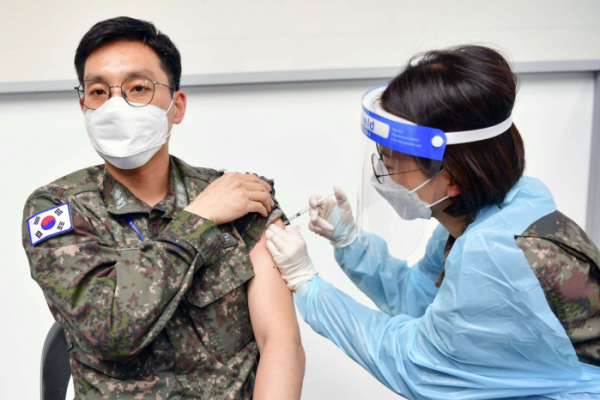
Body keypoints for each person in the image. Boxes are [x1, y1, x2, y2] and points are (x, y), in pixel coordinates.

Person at [265, 45, 600, 399]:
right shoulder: (487, 214)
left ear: (452, 178)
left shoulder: (496, 256)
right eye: (380, 159)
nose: (384, 176)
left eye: (394, 163)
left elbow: (417, 364)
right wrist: (352, 245)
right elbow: (420, 301)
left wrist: (309, 286)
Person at [21, 17, 304, 400]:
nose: (115, 105)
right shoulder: (58, 209)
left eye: (138, 87)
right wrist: (197, 221)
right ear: (83, 105)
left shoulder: (239, 197)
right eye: (99, 91)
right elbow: (109, 330)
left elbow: (280, 341)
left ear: (177, 105)